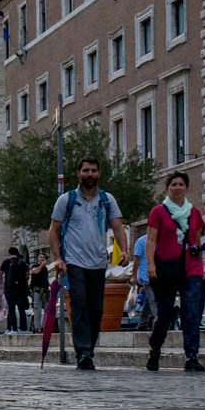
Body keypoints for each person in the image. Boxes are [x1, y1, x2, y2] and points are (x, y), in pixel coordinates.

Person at [47, 156, 132, 370]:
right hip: (73, 262)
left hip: (98, 262)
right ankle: (83, 350)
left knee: (96, 308)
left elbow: (118, 226)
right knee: (79, 303)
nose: (90, 174)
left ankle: (89, 350)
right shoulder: (66, 200)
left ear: (99, 173)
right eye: (86, 170)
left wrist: (124, 250)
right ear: (78, 173)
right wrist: (57, 258)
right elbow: (54, 230)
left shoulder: (107, 200)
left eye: (94, 170)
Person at [144, 170, 205, 372]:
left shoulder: (195, 213)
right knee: (164, 314)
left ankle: (191, 356)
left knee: (191, 313)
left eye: (181, 184)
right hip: (166, 268)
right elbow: (151, 240)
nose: (178, 188)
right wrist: (150, 264)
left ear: (187, 188)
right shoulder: (158, 212)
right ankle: (155, 351)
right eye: (174, 184)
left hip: (191, 268)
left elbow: (197, 239)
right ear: (168, 188)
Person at [0, 247, 31, 334]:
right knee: (21, 309)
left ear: (9, 253)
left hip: (9, 289)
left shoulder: (6, 262)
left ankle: (13, 329)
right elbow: (27, 276)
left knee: (11, 308)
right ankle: (23, 328)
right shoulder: (23, 262)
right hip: (20, 289)